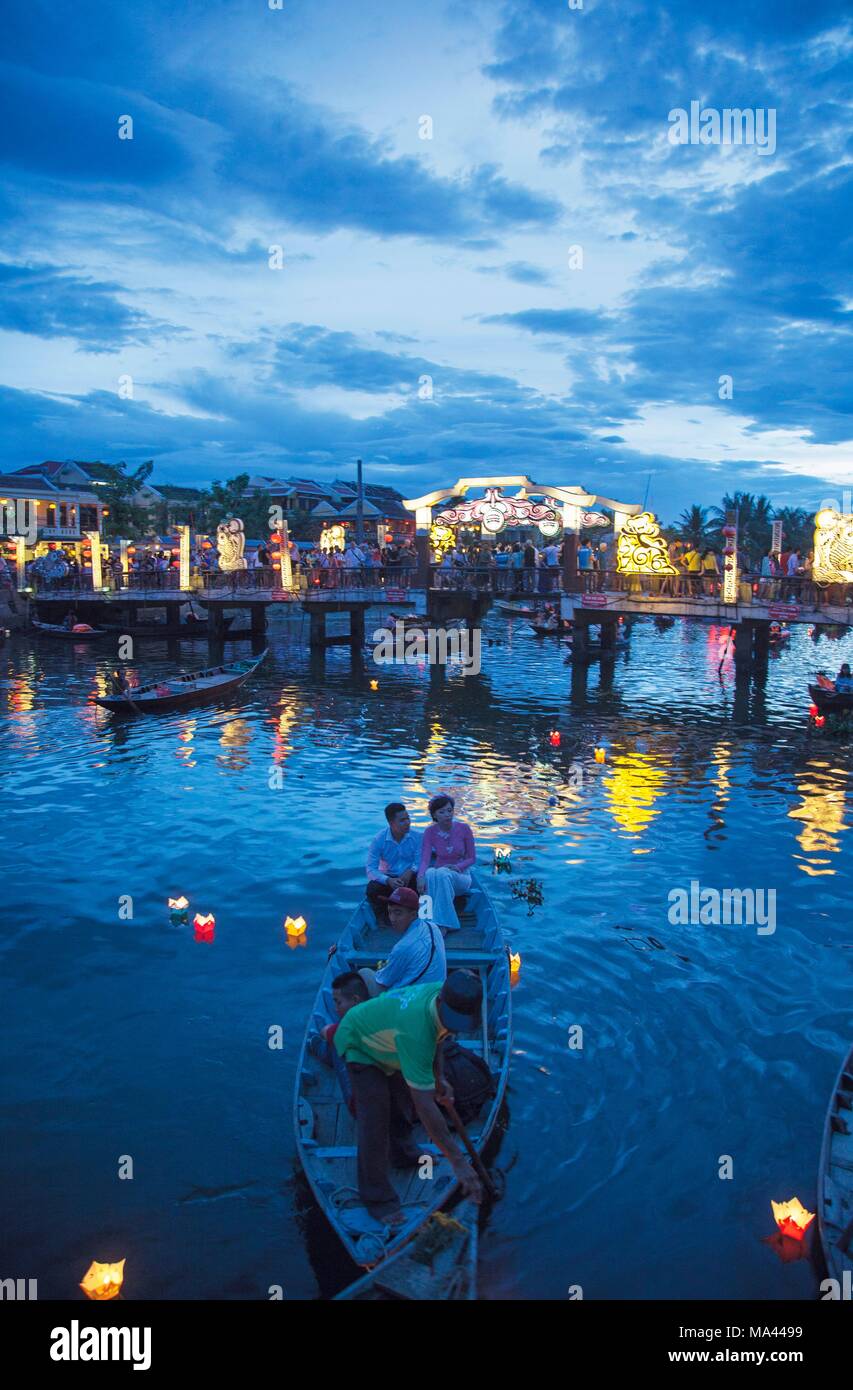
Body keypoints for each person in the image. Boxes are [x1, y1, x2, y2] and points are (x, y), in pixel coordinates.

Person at [333, 970, 484, 1221]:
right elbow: (425, 1106)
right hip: (360, 1045)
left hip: (393, 1047)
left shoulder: (443, 992)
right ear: (439, 1003)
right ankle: (377, 1199)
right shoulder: (416, 1028)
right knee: (375, 1119)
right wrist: (458, 1161)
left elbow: (438, 1037)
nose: (452, 1026)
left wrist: (439, 1077)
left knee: (401, 1105)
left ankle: (403, 1154)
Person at [358, 885, 446, 996]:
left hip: (412, 1003)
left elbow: (383, 981)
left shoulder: (402, 947)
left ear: (413, 915)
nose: (392, 919)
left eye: (398, 913)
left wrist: (382, 969)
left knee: (364, 972)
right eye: (390, 912)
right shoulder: (433, 927)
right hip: (436, 994)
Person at [307, 971, 370, 1113]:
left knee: (334, 1042)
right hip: (393, 1101)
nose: (335, 1009)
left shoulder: (344, 1030)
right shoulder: (379, 1014)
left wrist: (332, 1031)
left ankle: (316, 1046)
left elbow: (324, 1031)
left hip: (361, 1108)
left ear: (355, 1000)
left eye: (338, 1002)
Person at [416, 794, 475, 934]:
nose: (447, 815)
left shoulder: (464, 828)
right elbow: (425, 859)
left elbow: (472, 858)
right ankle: (426, 919)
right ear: (434, 815)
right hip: (439, 875)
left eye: (449, 810)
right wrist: (420, 876)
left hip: (460, 876)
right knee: (429, 872)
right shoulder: (430, 832)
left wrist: (457, 867)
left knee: (442, 873)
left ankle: (446, 924)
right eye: (442, 812)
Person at [365, 802, 423, 922]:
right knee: (372, 889)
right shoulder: (379, 840)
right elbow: (370, 869)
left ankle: (419, 915)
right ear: (391, 823)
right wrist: (388, 880)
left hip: (410, 878)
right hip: (390, 879)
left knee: (425, 881)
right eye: (402, 820)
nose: (407, 823)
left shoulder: (417, 837)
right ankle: (384, 919)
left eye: (408, 818)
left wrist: (411, 871)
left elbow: (420, 860)